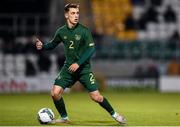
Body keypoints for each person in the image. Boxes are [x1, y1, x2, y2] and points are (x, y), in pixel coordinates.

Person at [35, 3, 126, 124]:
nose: (76, 16)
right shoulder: (61, 31)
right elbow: (52, 44)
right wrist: (43, 46)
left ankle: (116, 115)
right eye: (73, 13)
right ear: (66, 15)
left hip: (84, 69)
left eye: (77, 13)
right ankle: (64, 118)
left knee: (96, 97)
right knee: (55, 93)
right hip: (68, 68)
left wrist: (78, 63)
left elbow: (91, 49)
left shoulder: (84, 31)